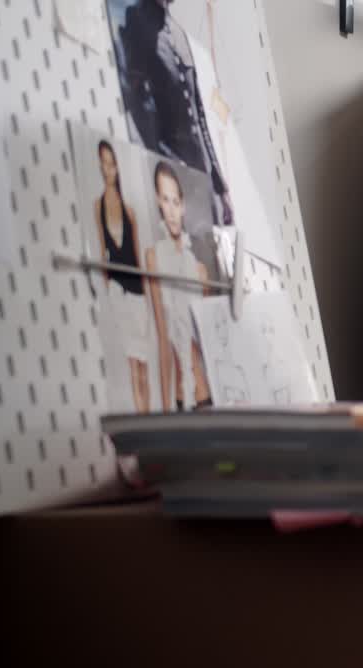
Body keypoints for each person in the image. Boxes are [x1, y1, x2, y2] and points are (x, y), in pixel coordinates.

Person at [115, 0, 233, 228]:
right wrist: (160, 156)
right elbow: (135, 101)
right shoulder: (137, 19)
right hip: (174, 176)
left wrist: (220, 186)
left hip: (204, 174)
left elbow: (200, 114)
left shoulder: (180, 33)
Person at [146, 160, 212, 411]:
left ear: (183, 206)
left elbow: (209, 343)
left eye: (176, 201)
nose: (171, 210)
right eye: (165, 200)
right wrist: (165, 411)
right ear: (158, 202)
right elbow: (163, 339)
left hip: (206, 392)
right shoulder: (153, 258)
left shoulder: (199, 270)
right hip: (180, 398)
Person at [92, 140, 153, 413]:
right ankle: (145, 428)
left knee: (144, 365)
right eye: (103, 163)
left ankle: (149, 421)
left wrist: (149, 295)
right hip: (117, 291)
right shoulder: (98, 206)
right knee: (132, 363)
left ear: (117, 166)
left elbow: (138, 257)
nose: (108, 169)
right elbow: (102, 249)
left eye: (111, 162)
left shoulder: (130, 210)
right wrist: (105, 291)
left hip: (137, 291)